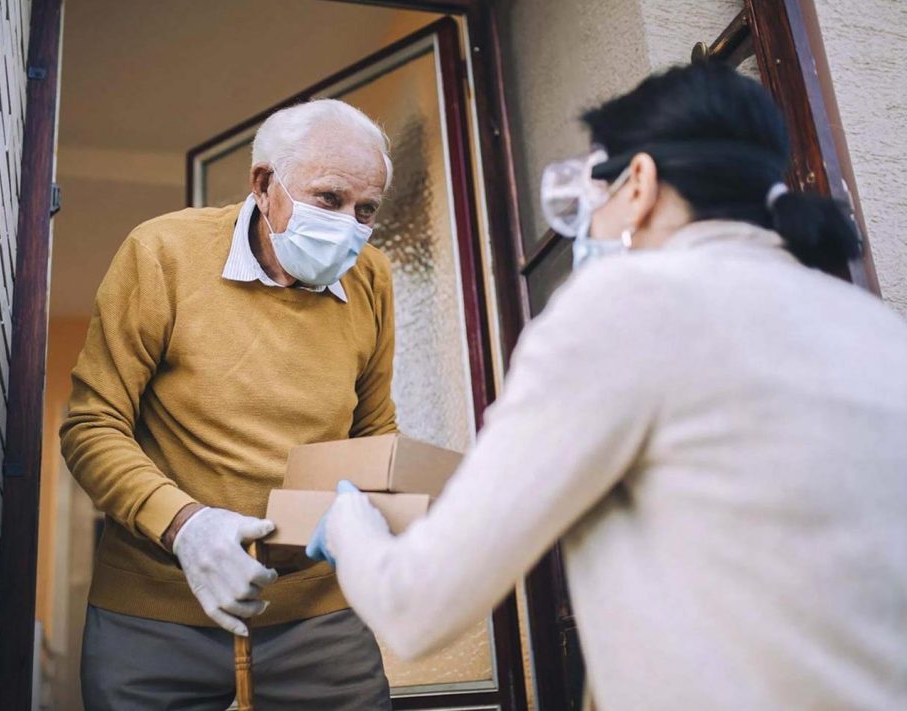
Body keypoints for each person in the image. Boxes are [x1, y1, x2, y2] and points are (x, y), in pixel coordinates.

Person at [307, 62, 907, 710]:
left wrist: (346, 522)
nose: (586, 225)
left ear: (640, 181)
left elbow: (415, 605)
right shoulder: (874, 324)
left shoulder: (626, 302)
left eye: (592, 194)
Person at [60, 99, 398, 710]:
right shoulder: (162, 252)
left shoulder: (371, 277)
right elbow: (92, 425)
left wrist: (379, 527)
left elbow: (373, 433)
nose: (349, 224)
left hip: (320, 618)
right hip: (154, 614)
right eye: (329, 199)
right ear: (265, 184)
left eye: (366, 209)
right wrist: (187, 525)